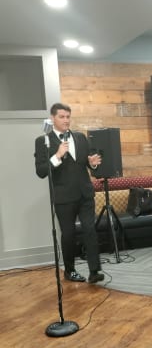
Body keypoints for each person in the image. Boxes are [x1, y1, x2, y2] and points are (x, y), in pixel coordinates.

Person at [35, 102, 105, 283]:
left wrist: (93, 162)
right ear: (53, 118)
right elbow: (41, 171)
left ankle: (94, 271)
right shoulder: (43, 141)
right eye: (61, 117)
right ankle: (70, 270)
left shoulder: (81, 138)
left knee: (90, 230)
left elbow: (88, 162)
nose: (66, 120)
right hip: (64, 197)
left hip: (85, 194)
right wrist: (57, 156)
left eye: (68, 117)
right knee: (69, 234)